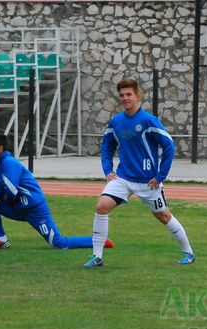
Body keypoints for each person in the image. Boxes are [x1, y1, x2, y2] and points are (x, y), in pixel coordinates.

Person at [83, 78, 194, 268]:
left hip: (148, 182)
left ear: (137, 96)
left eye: (129, 95)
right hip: (123, 178)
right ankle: (97, 256)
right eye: (122, 95)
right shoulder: (116, 121)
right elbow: (107, 146)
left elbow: (169, 145)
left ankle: (188, 252)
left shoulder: (148, 120)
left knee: (163, 216)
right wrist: (108, 170)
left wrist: (160, 176)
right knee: (101, 206)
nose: (125, 98)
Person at [0, 133, 114, 250]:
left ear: (0, 148)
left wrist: (1, 200)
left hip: (34, 209)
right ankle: (1, 240)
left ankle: (100, 241)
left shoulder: (9, 163)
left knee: (60, 243)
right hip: (20, 207)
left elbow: (12, 191)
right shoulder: (0, 164)